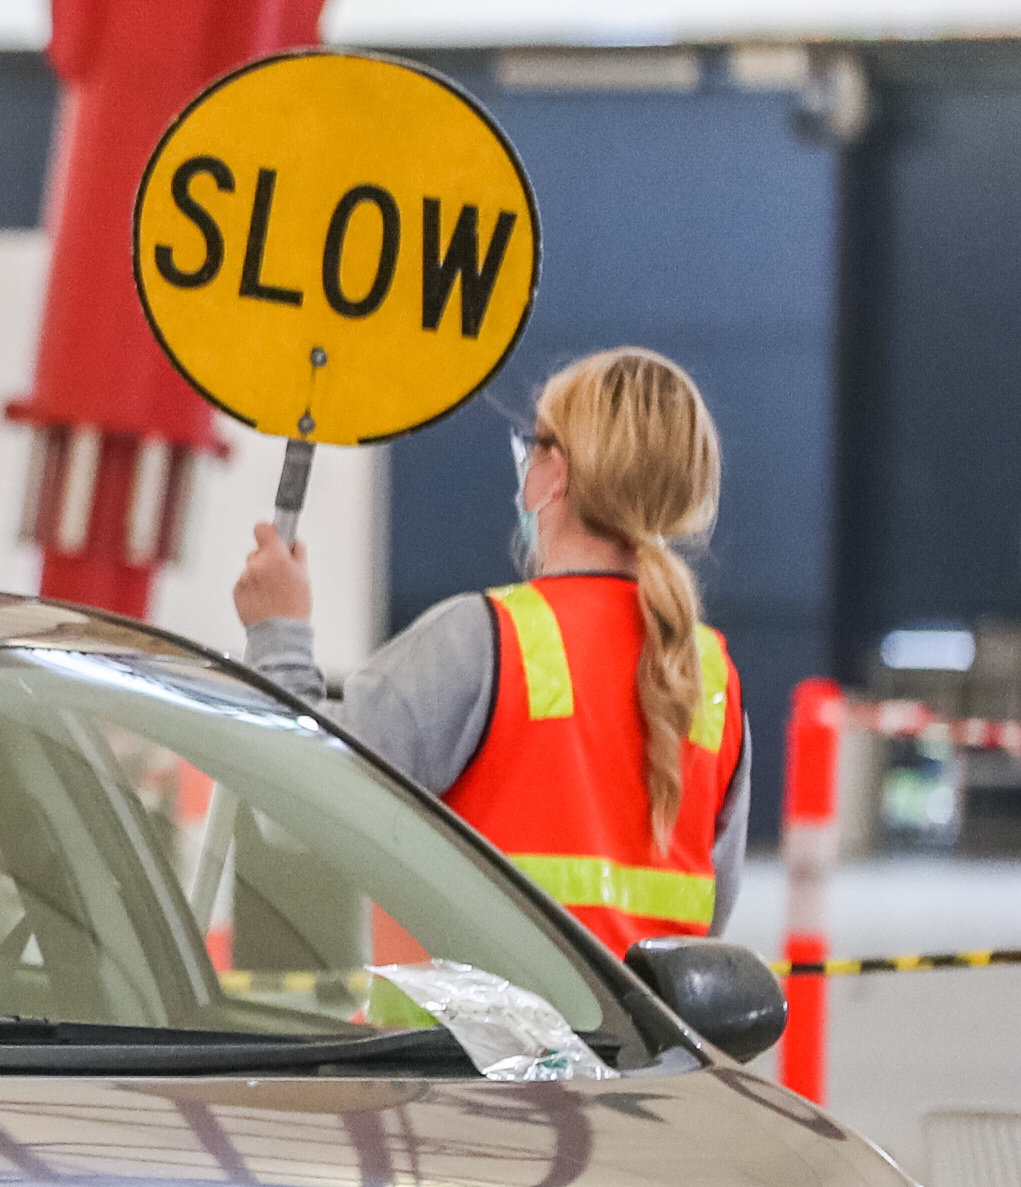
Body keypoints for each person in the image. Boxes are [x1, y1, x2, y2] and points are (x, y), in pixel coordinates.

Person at [236, 346, 749, 948]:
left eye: (533, 448)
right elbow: (711, 914)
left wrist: (279, 632)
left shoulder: (481, 642)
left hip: (463, 1044)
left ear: (556, 473)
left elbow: (294, 811)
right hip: (648, 1045)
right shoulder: (709, 676)